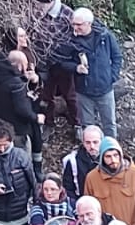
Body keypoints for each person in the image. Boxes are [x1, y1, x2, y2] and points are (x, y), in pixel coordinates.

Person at [47, 8, 124, 137]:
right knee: (87, 125)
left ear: (89, 23)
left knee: (109, 124)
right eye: (73, 24)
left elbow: (117, 57)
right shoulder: (70, 40)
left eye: (79, 24)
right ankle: (90, 150)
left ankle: (111, 151)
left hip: (105, 89)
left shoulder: (105, 36)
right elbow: (59, 61)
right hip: (83, 91)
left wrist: (112, 77)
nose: (75, 27)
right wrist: (76, 68)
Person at [86, 137, 135, 225]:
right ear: (102, 158)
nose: (113, 160)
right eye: (108, 156)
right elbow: (88, 209)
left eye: (115, 155)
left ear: (121, 155)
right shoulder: (92, 178)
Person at [0, 49, 46, 164]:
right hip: (19, 131)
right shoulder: (16, 84)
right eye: (25, 65)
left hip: (2, 128)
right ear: (19, 65)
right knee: (23, 162)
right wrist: (36, 117)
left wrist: (31, 81)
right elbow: (23, 109)